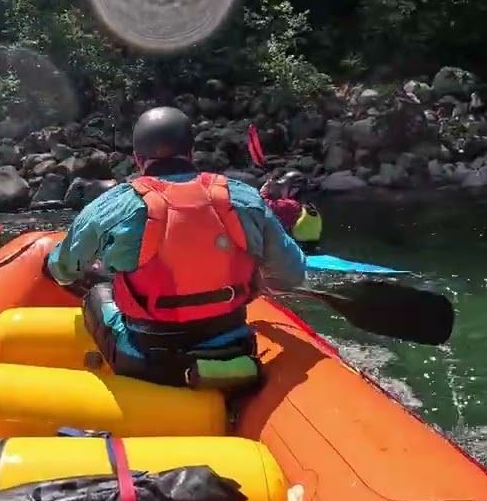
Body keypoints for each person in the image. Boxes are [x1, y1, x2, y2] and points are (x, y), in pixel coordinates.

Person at [45, 106, 308, 391]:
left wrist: (56, 265)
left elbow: (64, 269)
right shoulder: (245, 197)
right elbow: (291, 275)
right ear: (191, 153)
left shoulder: (112, 206)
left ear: (137, 159)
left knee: (98, 293)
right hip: (234, 351)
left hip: (149, 362)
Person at [259, 170, 323, 253]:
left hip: (295, 251)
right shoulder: (308, 205)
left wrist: (264, 190)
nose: (279, 188)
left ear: (294, 190)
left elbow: (261, 204)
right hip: (310, 249)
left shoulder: (290, 205)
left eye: (282, 186)